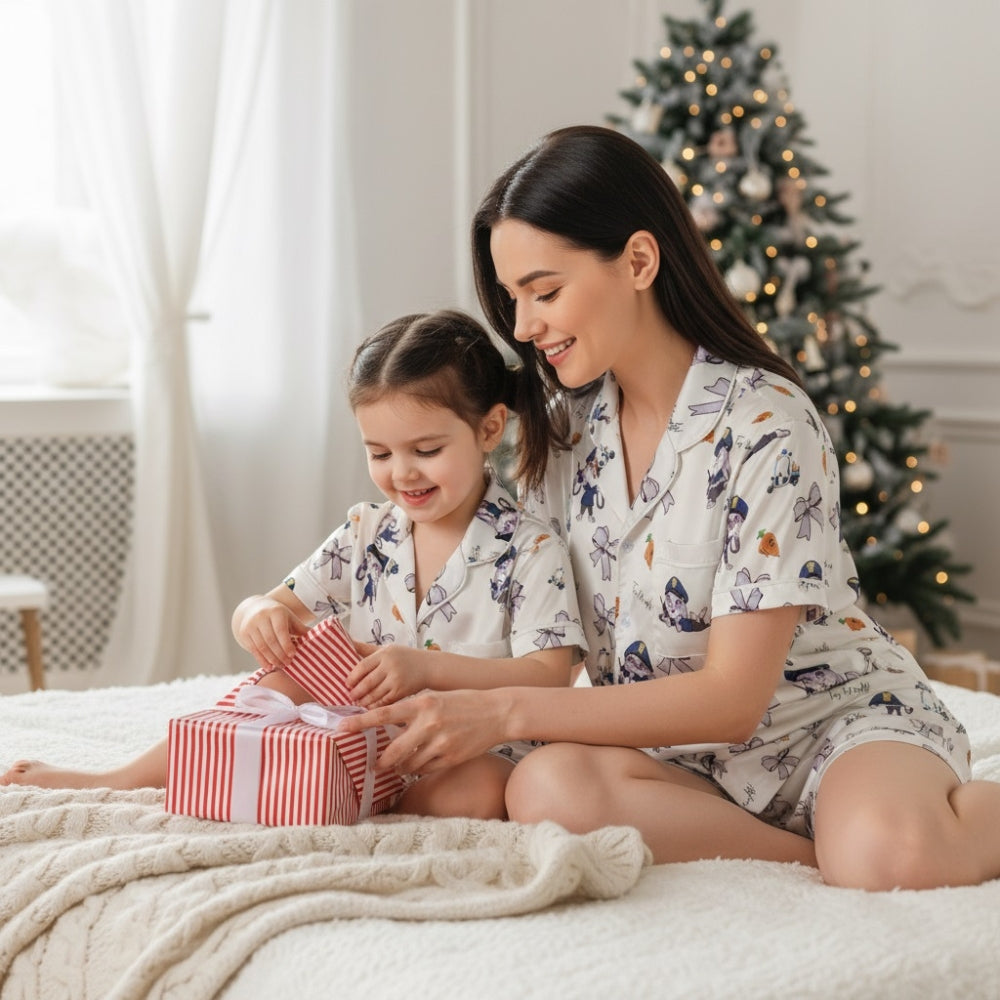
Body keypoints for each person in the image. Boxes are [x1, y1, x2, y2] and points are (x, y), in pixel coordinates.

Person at [340, 125, 1000, 890]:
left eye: (544, 292)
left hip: (832, 727)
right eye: (513, 299)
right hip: (676, 761)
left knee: (889, 857)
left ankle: (886, 828)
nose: (521, 328)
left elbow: (732, 700)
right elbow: (515, 616)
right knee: (544, 790)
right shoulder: (555, 436)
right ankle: (810, 856)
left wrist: (508, 713)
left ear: (640, 261)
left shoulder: (765, 422)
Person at [0, 309, 585, 820]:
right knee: (280, 680)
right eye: (379, 453)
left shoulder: (531, 550)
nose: (401, 473)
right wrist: (255, 616)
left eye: (426, 451)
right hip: (359, 734)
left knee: (483, 791)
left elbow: (549, 676)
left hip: (463, 748)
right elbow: (271, 605)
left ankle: (361, 801)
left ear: (489, 428)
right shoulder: (367, 530)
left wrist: (427, 670)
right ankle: (122, 779)